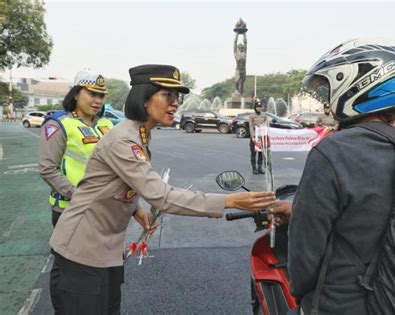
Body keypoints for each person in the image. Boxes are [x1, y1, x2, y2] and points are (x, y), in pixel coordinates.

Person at [49, 64, 275, 315]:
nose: (175, 103)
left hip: (105, 249)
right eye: (167, 95)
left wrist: (135, 208)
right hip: (83, 250)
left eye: (177, 97)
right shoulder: (125, 139)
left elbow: (115, 181)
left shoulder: (139, 135)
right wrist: (231, 201)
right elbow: (163, 196)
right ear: (144, 99)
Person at [271, 39, 395, 315]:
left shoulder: (334, 152)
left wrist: (299, 291)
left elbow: (306, 253)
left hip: (343, 303)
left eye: (330, 88)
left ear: (359, 84)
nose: (327, 101)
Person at [38, 70, 113, 314]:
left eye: (101, 95)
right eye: (91, 93)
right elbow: (47, 169)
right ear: (76, 94)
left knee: (94, 266)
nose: (97, 100)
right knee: (65, 265)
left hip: (102, 209)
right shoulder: (59, 124)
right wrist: (78, 195)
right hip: (69, 209)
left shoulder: (106, 124)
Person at [248, 98, 268, 175]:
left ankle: (260, 168)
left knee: (261, 153)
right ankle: (254, 168)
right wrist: (252, 136)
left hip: (261, 136)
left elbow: (266, 124)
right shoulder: (251, 116)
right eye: (257, 107)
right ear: (255, 108)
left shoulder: (264, 115)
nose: (259, 108)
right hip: (254, 136)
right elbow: (250, 126)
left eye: (260, 107)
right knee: (253, 153)